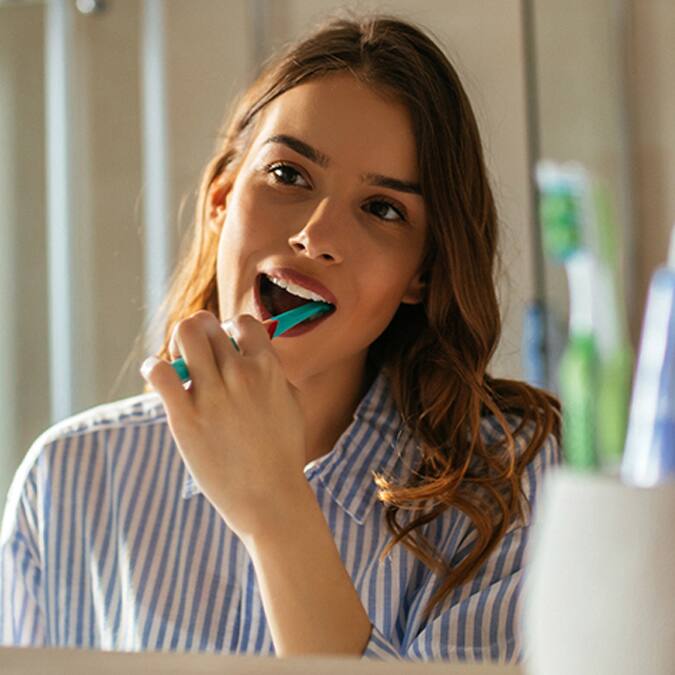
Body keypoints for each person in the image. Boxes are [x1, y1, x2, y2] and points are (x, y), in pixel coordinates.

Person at [0, 12, 560, 661]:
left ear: (420, 274)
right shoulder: (67, 476)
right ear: (220, 199)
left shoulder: (508, 488)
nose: (316, 235)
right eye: (289, 175)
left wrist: (274, 511)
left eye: (382, 208)